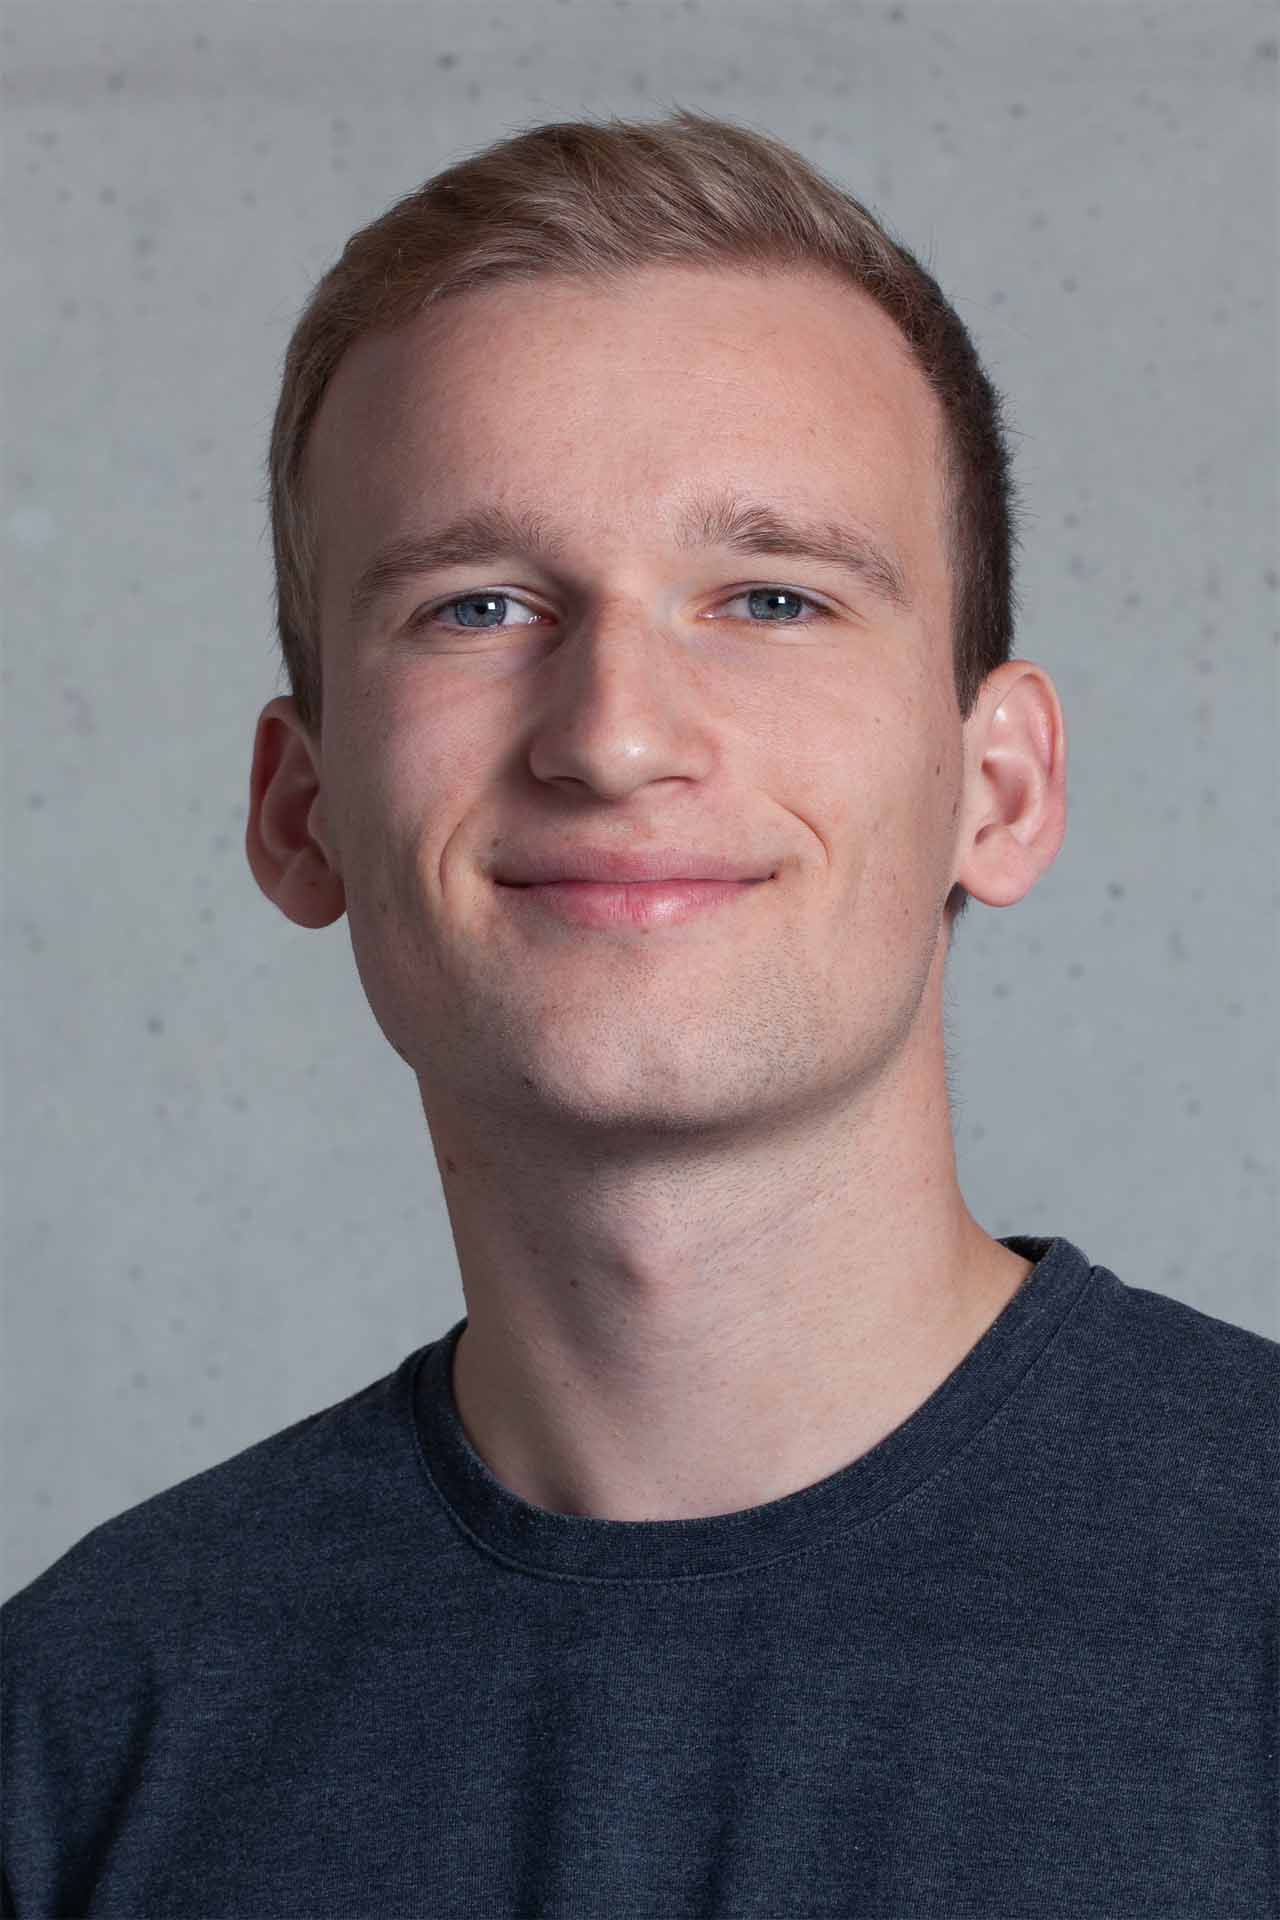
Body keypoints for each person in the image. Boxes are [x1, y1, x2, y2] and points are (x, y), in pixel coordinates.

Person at [3, 109, 1274, 1919]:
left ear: (998, 788)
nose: (611, 733)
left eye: (771, 597)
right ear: (303, 814)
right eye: (479, 605)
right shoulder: (78, 1742)